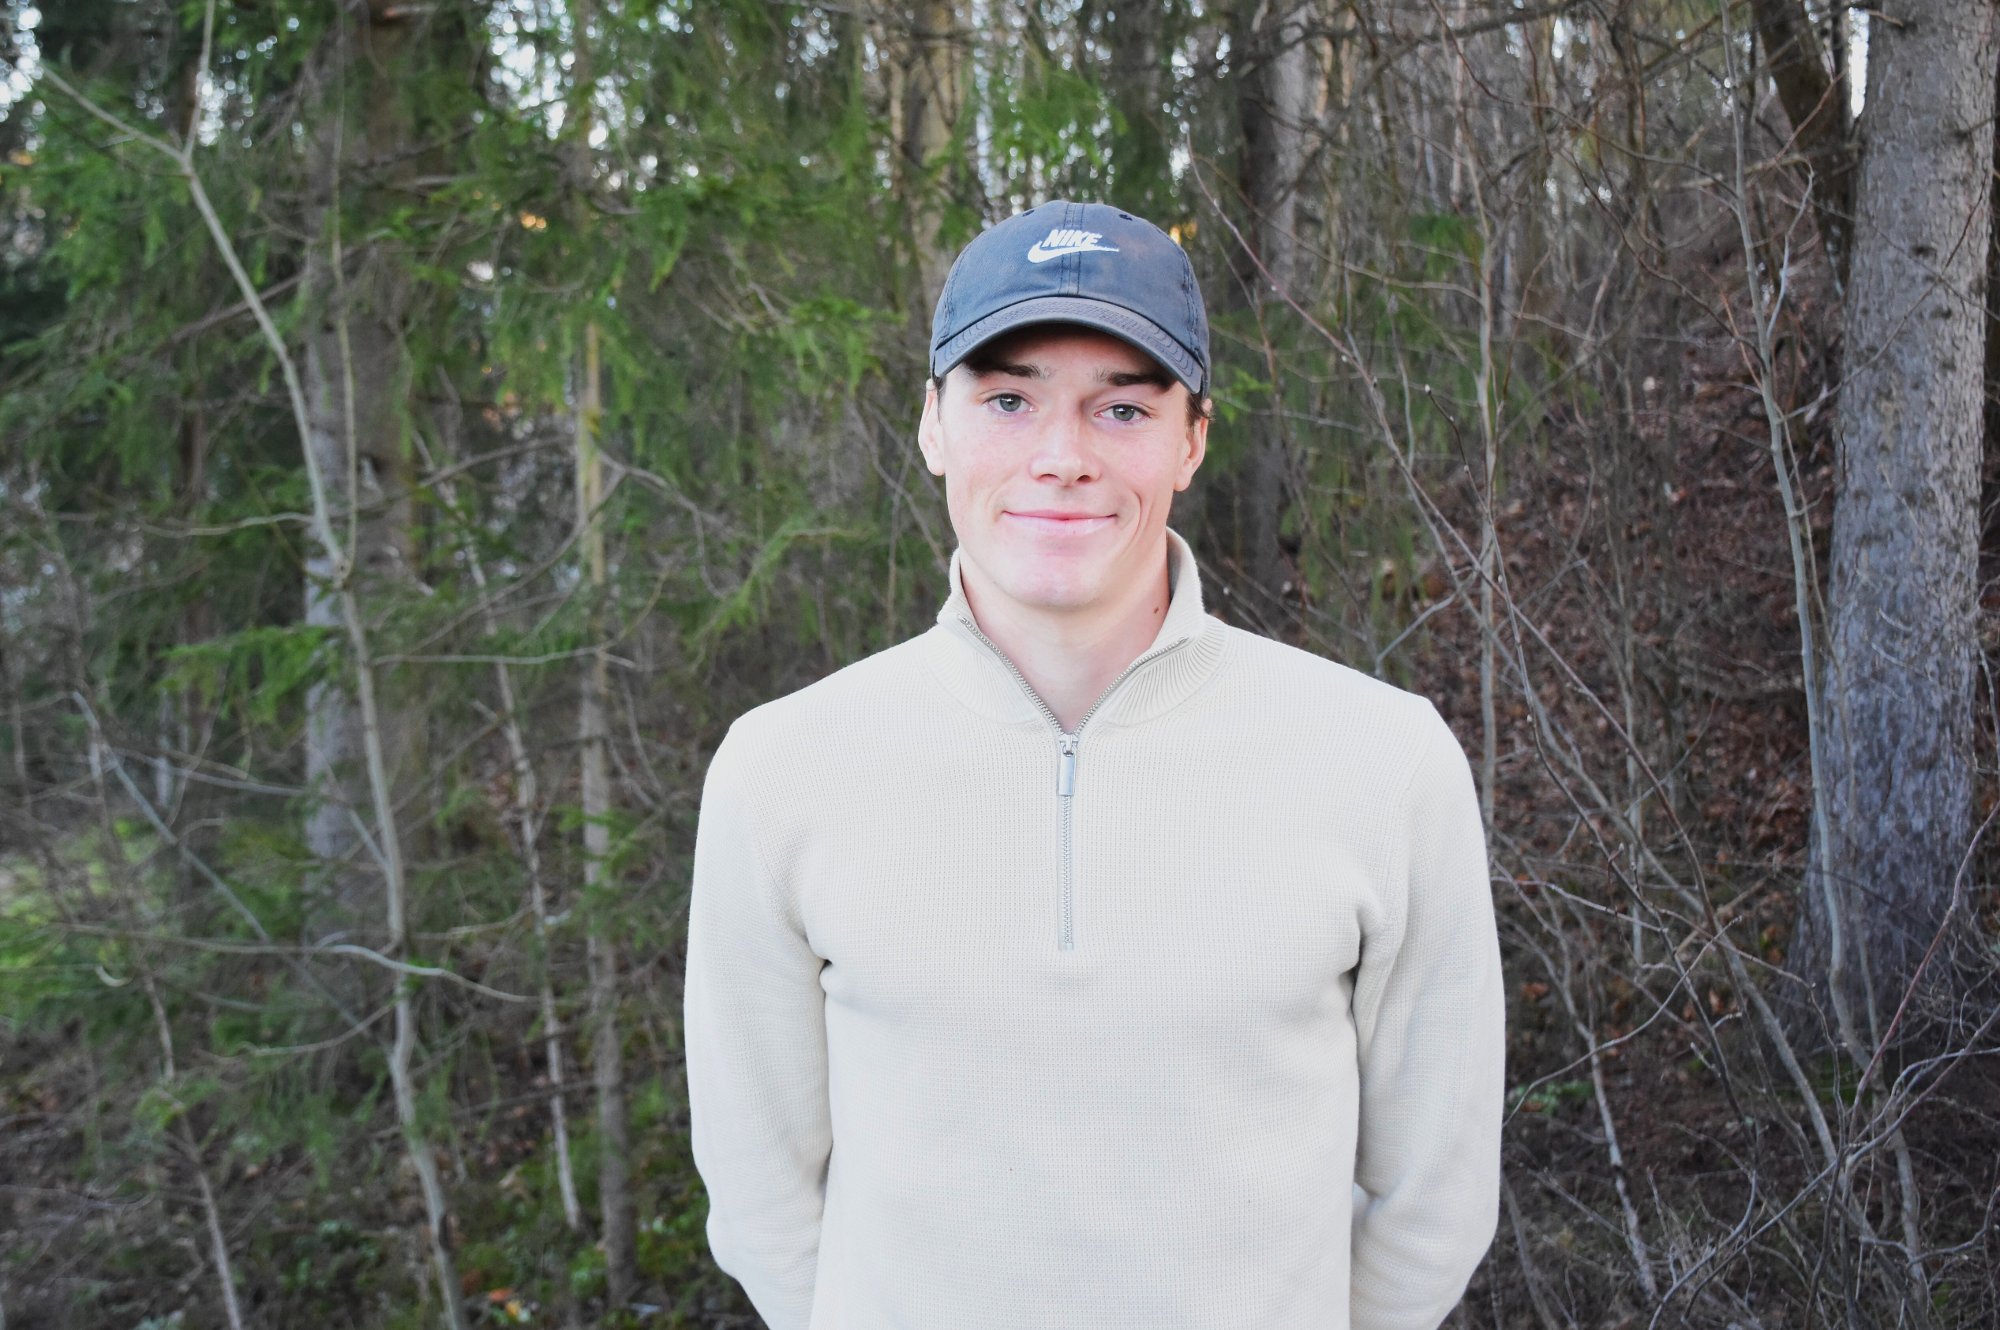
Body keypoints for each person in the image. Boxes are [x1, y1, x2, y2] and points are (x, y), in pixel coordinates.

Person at [683, 200, 1504, 1329]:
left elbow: (1434, 1197)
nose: (1062, 457)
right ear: (931, 425)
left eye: (1122, 407)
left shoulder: (1383, 761)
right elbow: (760, 1199)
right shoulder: (781, 771)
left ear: (1191, 439)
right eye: (1007, 400)